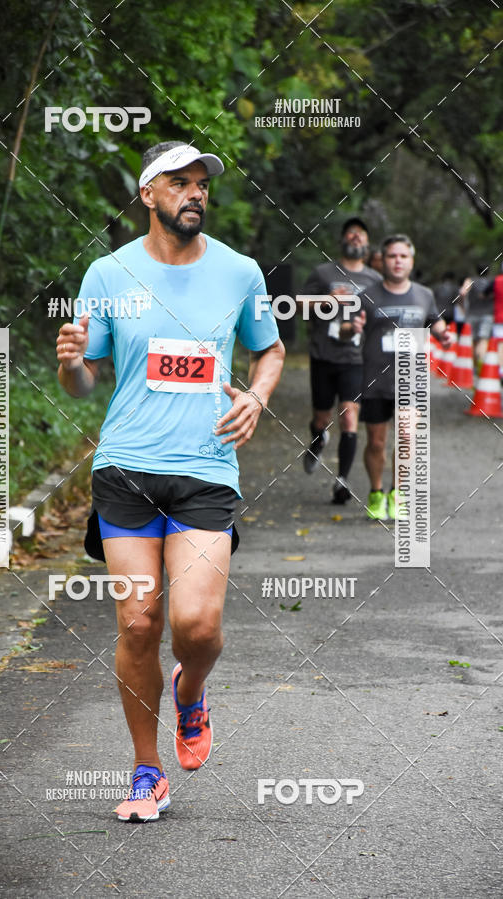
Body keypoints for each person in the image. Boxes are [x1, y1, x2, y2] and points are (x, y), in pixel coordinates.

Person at [56, 140, 284, 823]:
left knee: (197, 623)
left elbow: (269, 348)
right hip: (125, 467)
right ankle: (146, 769)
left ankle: (192, 690)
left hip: (207, 468)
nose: (195, 193)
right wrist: (69, 361)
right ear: (148, 194)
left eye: (201, 184)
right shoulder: (108, 271)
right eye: (179, 182)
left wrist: (257, 396)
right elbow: (82, 381)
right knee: (138, 619)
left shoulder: (239, 272)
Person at [347, 234, 452, 520]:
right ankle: (376, 492)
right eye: (392, 256)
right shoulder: (367, 295)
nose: (398, 261)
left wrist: (443, 334)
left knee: (406, 437)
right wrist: (352, 327)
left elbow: (434, 319)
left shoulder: (423, 294)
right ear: (383, 260)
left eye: (403, 256)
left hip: (411, 378)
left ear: (411, 261)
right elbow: (346, 329)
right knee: (377, 442)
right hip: (375, 380)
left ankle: (398, 493)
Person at [300, 217, 382, 503]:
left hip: (356, 359)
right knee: (321, 417)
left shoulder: (374, 280)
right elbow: (295, 305)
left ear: (368, 244)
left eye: (361, 235)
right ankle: (316, 439)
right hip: (324, 355)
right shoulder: (323, 273)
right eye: (351, 234)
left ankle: (342, 481)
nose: (356, 238)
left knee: (349, 416)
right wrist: (324, 301)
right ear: (343, 240)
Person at [461, 263, 494, 368]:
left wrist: (463, 307)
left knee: (473, 339)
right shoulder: (492, 281)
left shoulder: (470, 280)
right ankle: (480, 366)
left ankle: (473, 365)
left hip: (472, 314)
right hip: (488, 314)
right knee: (483, 339)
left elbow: (462, 292)